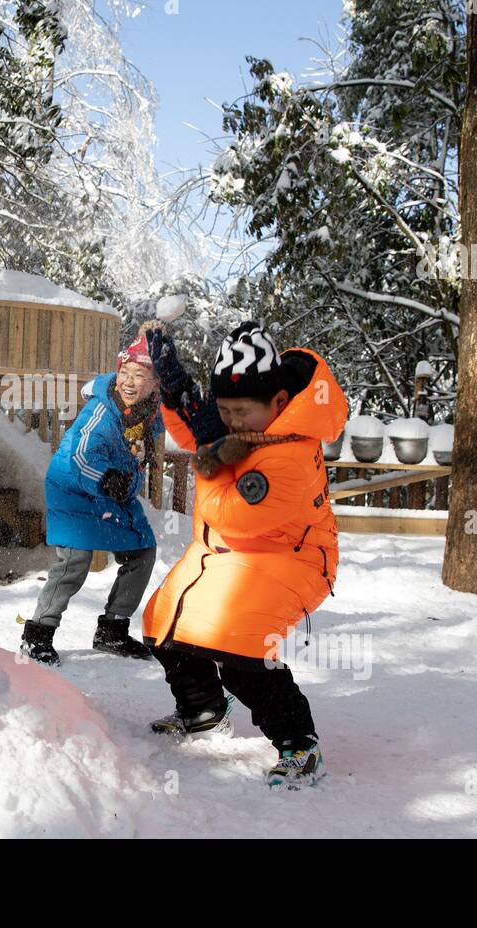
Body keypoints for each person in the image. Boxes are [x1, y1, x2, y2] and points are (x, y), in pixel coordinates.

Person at [141, 320, 348, 789]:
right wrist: (180, 397)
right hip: (224, 553)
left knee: (239, 646)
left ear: (278, 403)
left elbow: (234, 515)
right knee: (162, 625)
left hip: (290, 557)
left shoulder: (290, 452)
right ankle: (204, 710)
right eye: (223, 409)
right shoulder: (247, 426)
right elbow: (198, 432)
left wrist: (212, 454)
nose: (231, 420)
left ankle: (299, 743)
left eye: (241, 411)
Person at [20, 333, 162, 665]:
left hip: (115, 493)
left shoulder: (151, 414)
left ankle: (112, 630)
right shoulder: (102, 409)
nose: (128, 382)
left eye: (139, 376)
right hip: (73, 487)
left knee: (142, 550)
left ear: (155, 383)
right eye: (125, 373)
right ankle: (37, 635)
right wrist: (107, 477)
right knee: (75, 561)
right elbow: (82, 455)